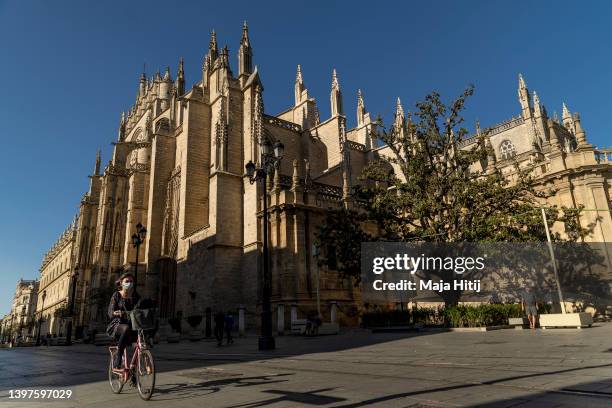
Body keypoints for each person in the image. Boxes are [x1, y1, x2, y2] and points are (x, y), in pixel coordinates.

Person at [107, 272, 140, 368]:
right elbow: (110, 311)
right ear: (121, 283)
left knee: (138, 344)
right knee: (126, 328)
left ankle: (134, 374)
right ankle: (118, 355)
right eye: (127, 281)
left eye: (131, 281)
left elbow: (140, 306)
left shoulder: (135, 295)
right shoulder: (116, 295)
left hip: (133, 324)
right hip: (117, 325)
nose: (129, 283)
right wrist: (115, 313)